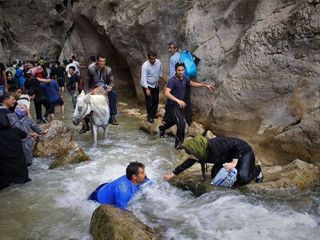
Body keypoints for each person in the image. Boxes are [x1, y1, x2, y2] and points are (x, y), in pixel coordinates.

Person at [164, 135, 264, 186]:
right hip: (225, 158)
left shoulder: (216, 145)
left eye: (191, 155)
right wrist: (172, 175)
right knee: (215, 176)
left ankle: (257, 171)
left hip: (243, 152)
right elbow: (188, 162)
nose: (190, 157)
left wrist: (234, 162)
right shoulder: (200, 152)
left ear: (198, 152)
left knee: (243, 177)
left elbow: (237, 146)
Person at [159, 62, 215, 149]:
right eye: (179, 70)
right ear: (176, 70)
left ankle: (162, 128)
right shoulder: (172, 80)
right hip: (172, 106)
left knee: (175, 121)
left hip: (178, 106)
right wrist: (177, 100)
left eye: (182, 70)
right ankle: (178, 144)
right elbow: (166, 93)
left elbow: (192, 83)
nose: (181, 72)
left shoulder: (184, 78)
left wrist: (205, 85)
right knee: (181, 123)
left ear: (184, 70)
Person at [0, 95, 30, 190]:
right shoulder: (16, 130)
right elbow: (24, 134)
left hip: (5, 174)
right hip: (21, 172)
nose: (15, 101)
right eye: (13, 99)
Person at [83, 54, 118, 128]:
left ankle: (112, 116)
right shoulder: (91, 69)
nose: (102, 63)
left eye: (103, 61)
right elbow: (86, 82)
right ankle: (85, 123)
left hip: (104, 88)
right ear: (97, 61)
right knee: (83, 100)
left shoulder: (108, 69)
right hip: (93, 88)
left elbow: (111, 82)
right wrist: (88, 92)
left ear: (105, 62)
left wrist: (110, 87)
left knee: (114, 94)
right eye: (100, 61)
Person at [140, 51, 162, 123]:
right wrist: (146, 89)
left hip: (156, 84)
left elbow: (160, 71)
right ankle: (150, 117)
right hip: (148, 85)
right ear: (148, 58)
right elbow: (143, 78)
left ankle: (153, 114)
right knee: (149, 101)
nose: (153, 61)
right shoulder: (145, 66)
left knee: (156, 100)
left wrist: (159, 78)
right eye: (151, 59)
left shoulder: (158, 62)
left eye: (154, 59)